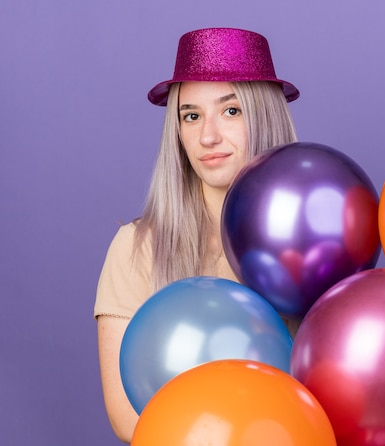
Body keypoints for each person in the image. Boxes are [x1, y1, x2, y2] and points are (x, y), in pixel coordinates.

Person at [94, 27, 300, 443]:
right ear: (178, 131)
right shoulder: (136, 249)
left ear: (265, 116)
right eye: (191, 115)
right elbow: (127, 417)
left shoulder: (315, 245)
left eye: (231, 111)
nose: (208, 136)